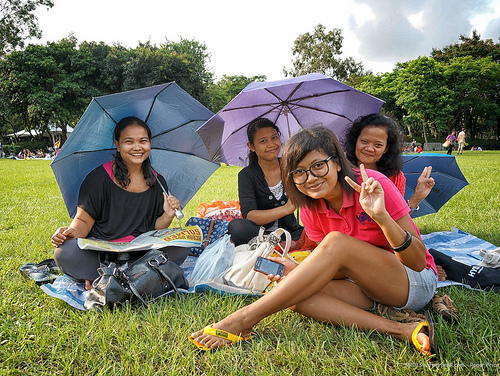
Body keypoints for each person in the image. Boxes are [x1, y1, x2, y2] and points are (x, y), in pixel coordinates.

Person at [190, 127, 438, 357]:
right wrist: (301, 272)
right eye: (299, 172)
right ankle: (401, 330)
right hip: (366, 287)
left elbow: (417, 262)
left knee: (335, 243)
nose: (310, 178)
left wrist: (382, 217)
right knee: (293, 294)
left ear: (338, 163)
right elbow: (339, 267)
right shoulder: (310, 209)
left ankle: (243, 320)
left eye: (318, 166)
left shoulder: (373, 185)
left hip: (413, 282)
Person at [51, 116, 188, 290]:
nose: (137, 147)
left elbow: (155, 231)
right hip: (101, 253)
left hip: (140, 253)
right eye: (129, 141)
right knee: (66, 252)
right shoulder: (99, 177)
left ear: (150, 143)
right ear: (117, 144)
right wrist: (72, 232)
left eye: (143, 141)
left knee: (181, 246)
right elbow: (84, 220)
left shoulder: (157, 181)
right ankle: (137, 277)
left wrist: (167, 214)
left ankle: (107, 278)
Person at [227, 117, 303, 246]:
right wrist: (286, 209)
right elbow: (250, 215)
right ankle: (274, 245)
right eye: (263, 141)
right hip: (261, 235)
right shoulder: (247, 175)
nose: (271, 144)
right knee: (237, 226)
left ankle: (284, 245)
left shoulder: (291, 166)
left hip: (292, 232)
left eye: (274, 137)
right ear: (251, 146)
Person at [343, 114, 434, 215]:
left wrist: (417, 197)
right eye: (364, 141)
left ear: (386, 148)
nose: (369, 148)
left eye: (378, 145)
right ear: (355, 140)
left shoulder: (395, 177)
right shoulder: (338, 169)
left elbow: (398, 222)